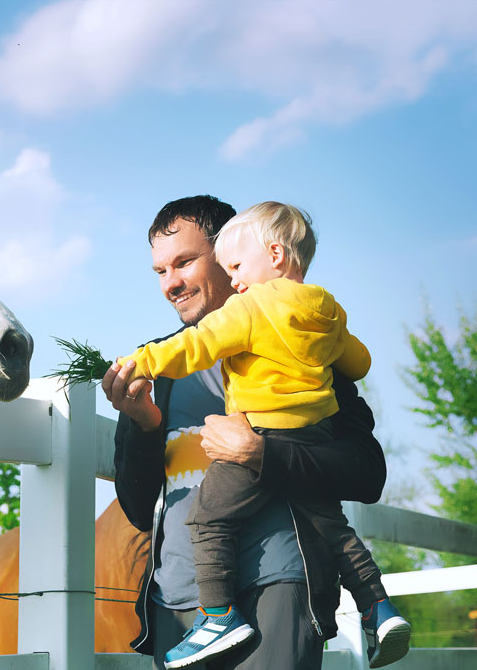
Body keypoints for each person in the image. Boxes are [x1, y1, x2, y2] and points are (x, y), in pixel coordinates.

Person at [117, 202, 409, 669]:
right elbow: (137, 509)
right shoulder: (165, 370)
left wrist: (260, 453)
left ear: (228, 254)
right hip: (177, 603)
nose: (170, 282)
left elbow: (367, 474)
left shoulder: (304, 354)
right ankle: (379, 607)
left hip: (279, 590)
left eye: (185, 262)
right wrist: (144, 426)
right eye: (160, 269)